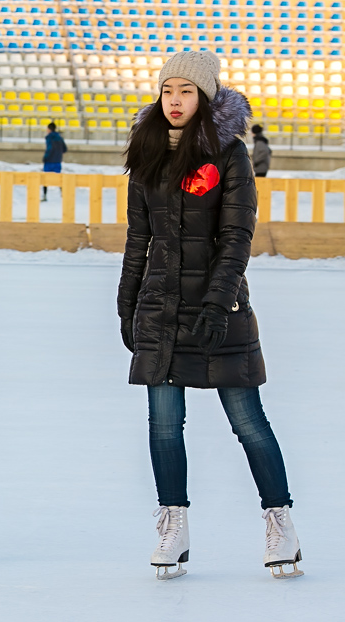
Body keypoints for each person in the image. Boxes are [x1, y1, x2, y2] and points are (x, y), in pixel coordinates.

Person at [119, 51, 302, 581]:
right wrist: (127, 302)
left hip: (220, 307)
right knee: (163, 423)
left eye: (187, 91)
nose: (175, 100)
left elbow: (236, 236)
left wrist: (220, 301)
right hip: (161, 307)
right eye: (168, 90)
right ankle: (173, 525)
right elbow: (138, 238)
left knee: (247, 422)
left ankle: (280, 522)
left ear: (205, 98)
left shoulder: (229, 153)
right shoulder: (148, 150)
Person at [41, 121, 66, 200]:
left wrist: (45, 157)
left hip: (49, 160)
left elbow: (49, 148)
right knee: (59, 177)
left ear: (49, 129)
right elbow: (65, 149)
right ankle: (63, 194)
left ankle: (44, 195)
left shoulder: (49, 137)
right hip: (57, 160)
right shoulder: (59, 137)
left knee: (45, 178)